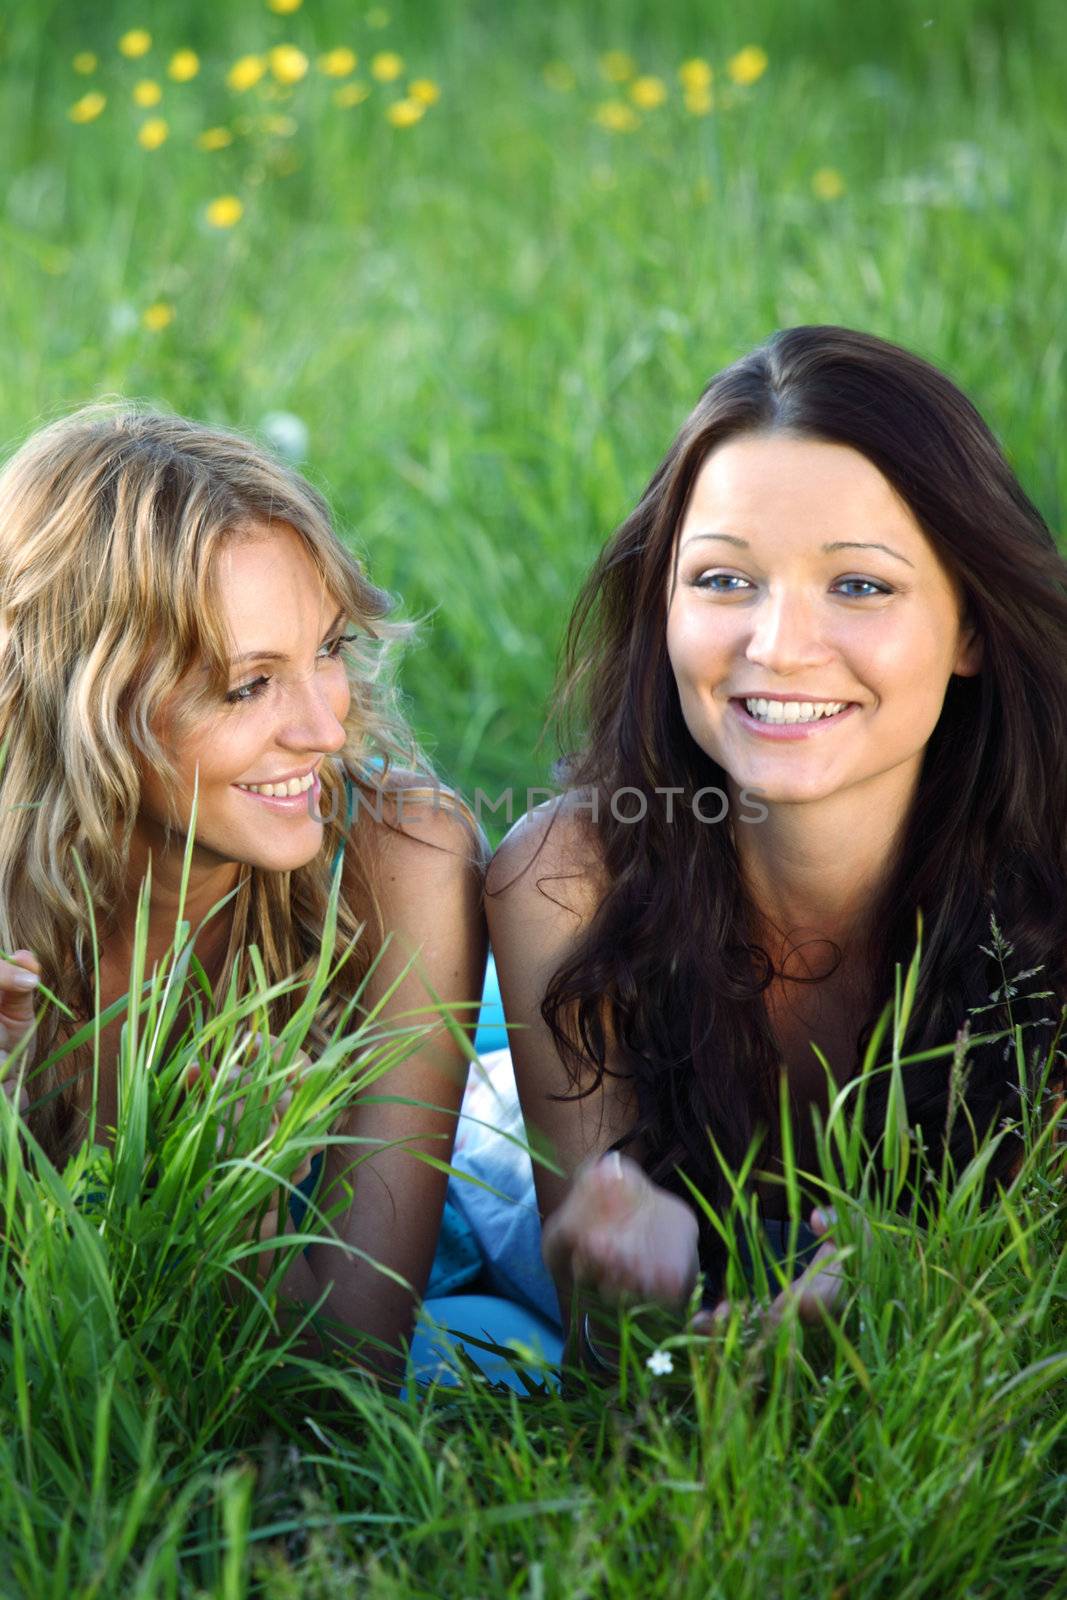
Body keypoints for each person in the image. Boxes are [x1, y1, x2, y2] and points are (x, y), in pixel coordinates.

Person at [487, 325, 1067, 1376]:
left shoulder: (1046, 884)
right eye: (721, 580)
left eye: (858, 586)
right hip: (493, 1126)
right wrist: (626, 1294)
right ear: (661, 602)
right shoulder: (562, 880)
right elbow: (604, 1353)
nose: (776, 644)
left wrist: (909, 1290)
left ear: (971, 628)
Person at [0, 402, 489, 1383]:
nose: (320, 727)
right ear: (83, 702)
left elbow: (352, 1360)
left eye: (326, 650)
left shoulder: (403, 861)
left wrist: (229, 1204)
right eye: (245, 685)